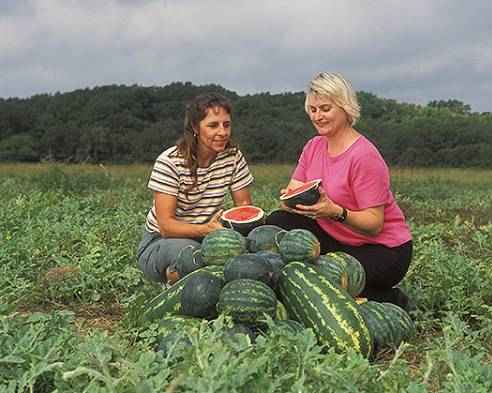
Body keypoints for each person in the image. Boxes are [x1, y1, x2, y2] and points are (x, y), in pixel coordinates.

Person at [266, 72, 413, 308]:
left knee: (328, 276)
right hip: (337, 237)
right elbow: (292, 193)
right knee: (277, 221)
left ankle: (390, 299)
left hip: (383, 251)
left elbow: (374, 224)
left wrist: (335, 211)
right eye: (313, 110)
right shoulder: (313, 146)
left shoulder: (364, 156)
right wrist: (290, 200)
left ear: (345, 108)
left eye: (325, 108)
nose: (318, 116)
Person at [137, 93, 254, 285]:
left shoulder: (233, 156)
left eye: (227, 124)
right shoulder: (170, 162)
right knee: (195, 258)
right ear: (195, 127)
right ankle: (173, 280)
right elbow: (166, 226)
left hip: (208, 238)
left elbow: (244, 205)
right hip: (160, 243)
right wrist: (206, 230)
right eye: (213, 125)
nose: (223, 132)